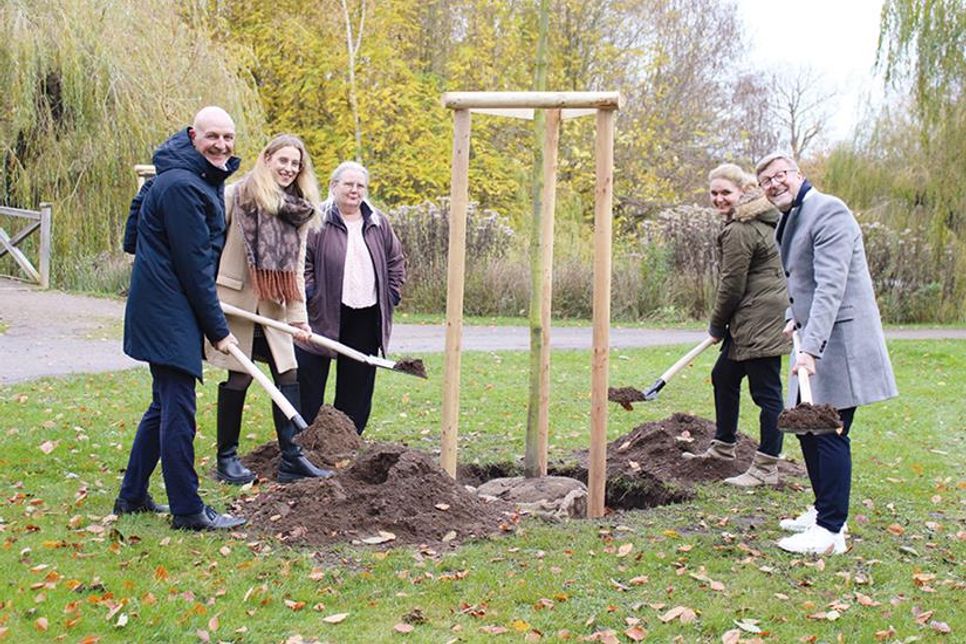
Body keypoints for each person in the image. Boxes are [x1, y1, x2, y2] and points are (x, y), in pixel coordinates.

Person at [756, 152, 898, 555]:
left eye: (779, 174)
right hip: (813, 336)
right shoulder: (789, 219)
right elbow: (801, 281)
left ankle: (832, 532)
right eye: (766, 180)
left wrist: (812, 350)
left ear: (798, 174)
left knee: (828, 429)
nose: (774, 184)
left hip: (840, 342)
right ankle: (823, 511)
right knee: (805, 426)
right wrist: (790, 314)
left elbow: (831, 285)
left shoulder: (829, 211)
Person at [114, 106, 246, 531]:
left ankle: (132, 495)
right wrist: (219, 331)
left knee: (162, 404)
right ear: (193, 135)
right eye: (213, 137)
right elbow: (195, 267)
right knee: (178, 408)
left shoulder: (179, 177)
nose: (222, 145)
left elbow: (134, 238)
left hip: (167, 304)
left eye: (228, 137)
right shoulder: (182, 186)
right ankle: (187, 509)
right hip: (168, 310)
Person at [206, 134, 333, 484]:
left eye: (296, 164)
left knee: (288, 374)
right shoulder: (236, 195)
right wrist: (205, 297)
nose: (289, 169)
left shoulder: (300, 210)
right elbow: (210, 247)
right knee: (241, 375)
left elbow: (294, 270)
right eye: (283, 161)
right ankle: (226, 459)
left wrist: (299, 320)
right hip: (235, 304)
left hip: (274, 305)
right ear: (267, 159)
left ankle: (292, 458)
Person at [683, 164, 791, 487]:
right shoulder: (760, 220)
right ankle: (723, 447)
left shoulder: (741, 229)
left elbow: (731, 284)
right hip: (755, 314)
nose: (719, 199)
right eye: (714, 193)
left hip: (760, 318)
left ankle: (766, 467)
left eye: (726, 193)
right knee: (724, 375)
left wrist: (717, 325)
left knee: (766, 392)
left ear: (742, 192)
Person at [296, 161, 405, 434]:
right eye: (348, 184)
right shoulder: (316, 219)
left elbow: (396, 260)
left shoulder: (378, 222)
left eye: (360, 185)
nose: (354, 190)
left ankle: (347, 440)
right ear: (334, 186)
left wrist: (391, 294)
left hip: (366, 314)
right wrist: (311, 295)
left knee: (357, 383)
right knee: (310, 378)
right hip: (323, 312)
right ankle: (305, 440)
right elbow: (302, 262)